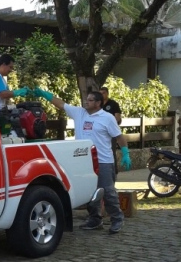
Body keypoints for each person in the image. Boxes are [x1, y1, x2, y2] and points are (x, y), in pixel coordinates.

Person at [34, 88, 132, 234]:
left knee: (107, 191)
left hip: (104, 161)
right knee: (89, 191)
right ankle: (95, 219)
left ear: (98, 103)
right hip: (85, 161)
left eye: (91, 100)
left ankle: (117, 219)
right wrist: (45, 95)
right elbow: (61, 104)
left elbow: (119, 137)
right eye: (87, 99)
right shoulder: (80, 113)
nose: (87, 102)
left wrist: (125, 153)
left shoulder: (107, 117)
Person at [99, 86, 122, 175]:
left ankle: (113, 171)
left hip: (110, 132)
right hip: (99, 133)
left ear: (107, 94)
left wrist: (110, 126)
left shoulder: (113, 104)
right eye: (100, 93)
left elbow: (117, 118)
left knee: (111, 151)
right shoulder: (98, 104)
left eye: (103, 93)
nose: (102, 95)